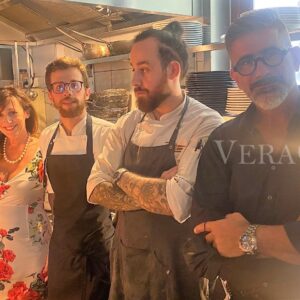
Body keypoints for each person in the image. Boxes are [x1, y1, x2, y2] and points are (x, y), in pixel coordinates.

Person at [87, 22, 223, 300]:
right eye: (132, 69)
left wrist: (120, 176)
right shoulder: (128, 122)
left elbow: (178, 203)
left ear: (173, 70)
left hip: (183, 264)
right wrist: (159, 190)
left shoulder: (205, 123)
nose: (134, 81)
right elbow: (94, 188)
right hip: (130, 261)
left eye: (144, 70)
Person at [189, 8, 300, 299]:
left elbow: (228, 238)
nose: (261, 71)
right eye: (247, 63)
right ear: (235, 76)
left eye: (272, 55)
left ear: (294, 57)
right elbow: (204, 236)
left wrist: (246, 237)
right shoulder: (223, 140)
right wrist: (286, 238)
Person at [40, 57, 114, 300]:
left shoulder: (108, 134)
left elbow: (120, 197)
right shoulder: (46, 137)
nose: (67, 92)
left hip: (99, 248)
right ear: (51, 95)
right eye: (59, 87)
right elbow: (52, 193)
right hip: (63, 249)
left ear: (87, 90)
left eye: (74, 84)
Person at [0, 87, 50, 299]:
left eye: (12, 112)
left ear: (26, 112)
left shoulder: (43, 149)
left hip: (33, 255)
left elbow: (57, 202)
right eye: (0, 114)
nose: (7, 120)